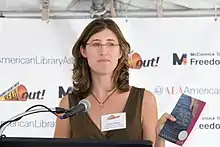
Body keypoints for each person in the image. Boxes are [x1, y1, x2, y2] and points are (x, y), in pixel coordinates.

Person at [54, 18, 176, 147]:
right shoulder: (68, 104)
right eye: (96, 44)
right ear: (83, 51)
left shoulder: (145, 100)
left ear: (121, 51)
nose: (103, 51)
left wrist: (160, 138)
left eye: (111, 44)